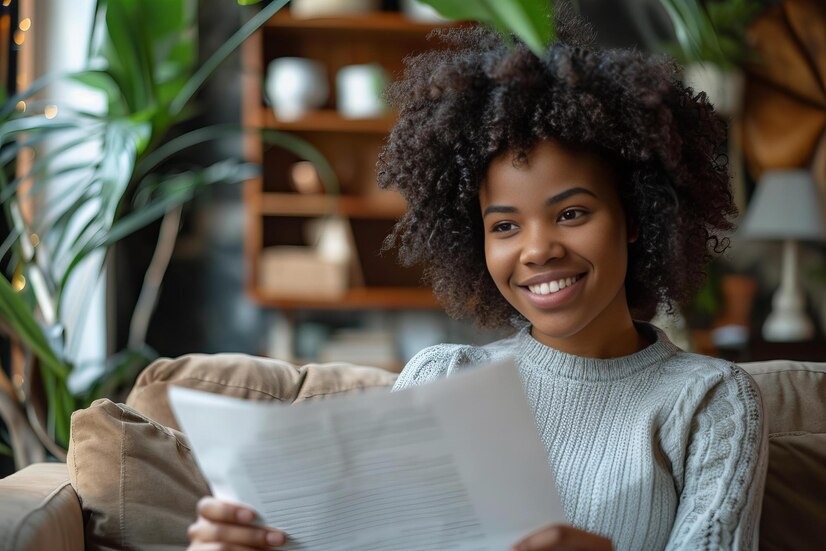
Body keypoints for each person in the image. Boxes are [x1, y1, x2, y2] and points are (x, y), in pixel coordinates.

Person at [187, 12, 767, 551]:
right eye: (506, 225)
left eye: (571, 213)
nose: (537, 249)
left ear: (636, 219)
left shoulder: (711, 400)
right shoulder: (442, 378)